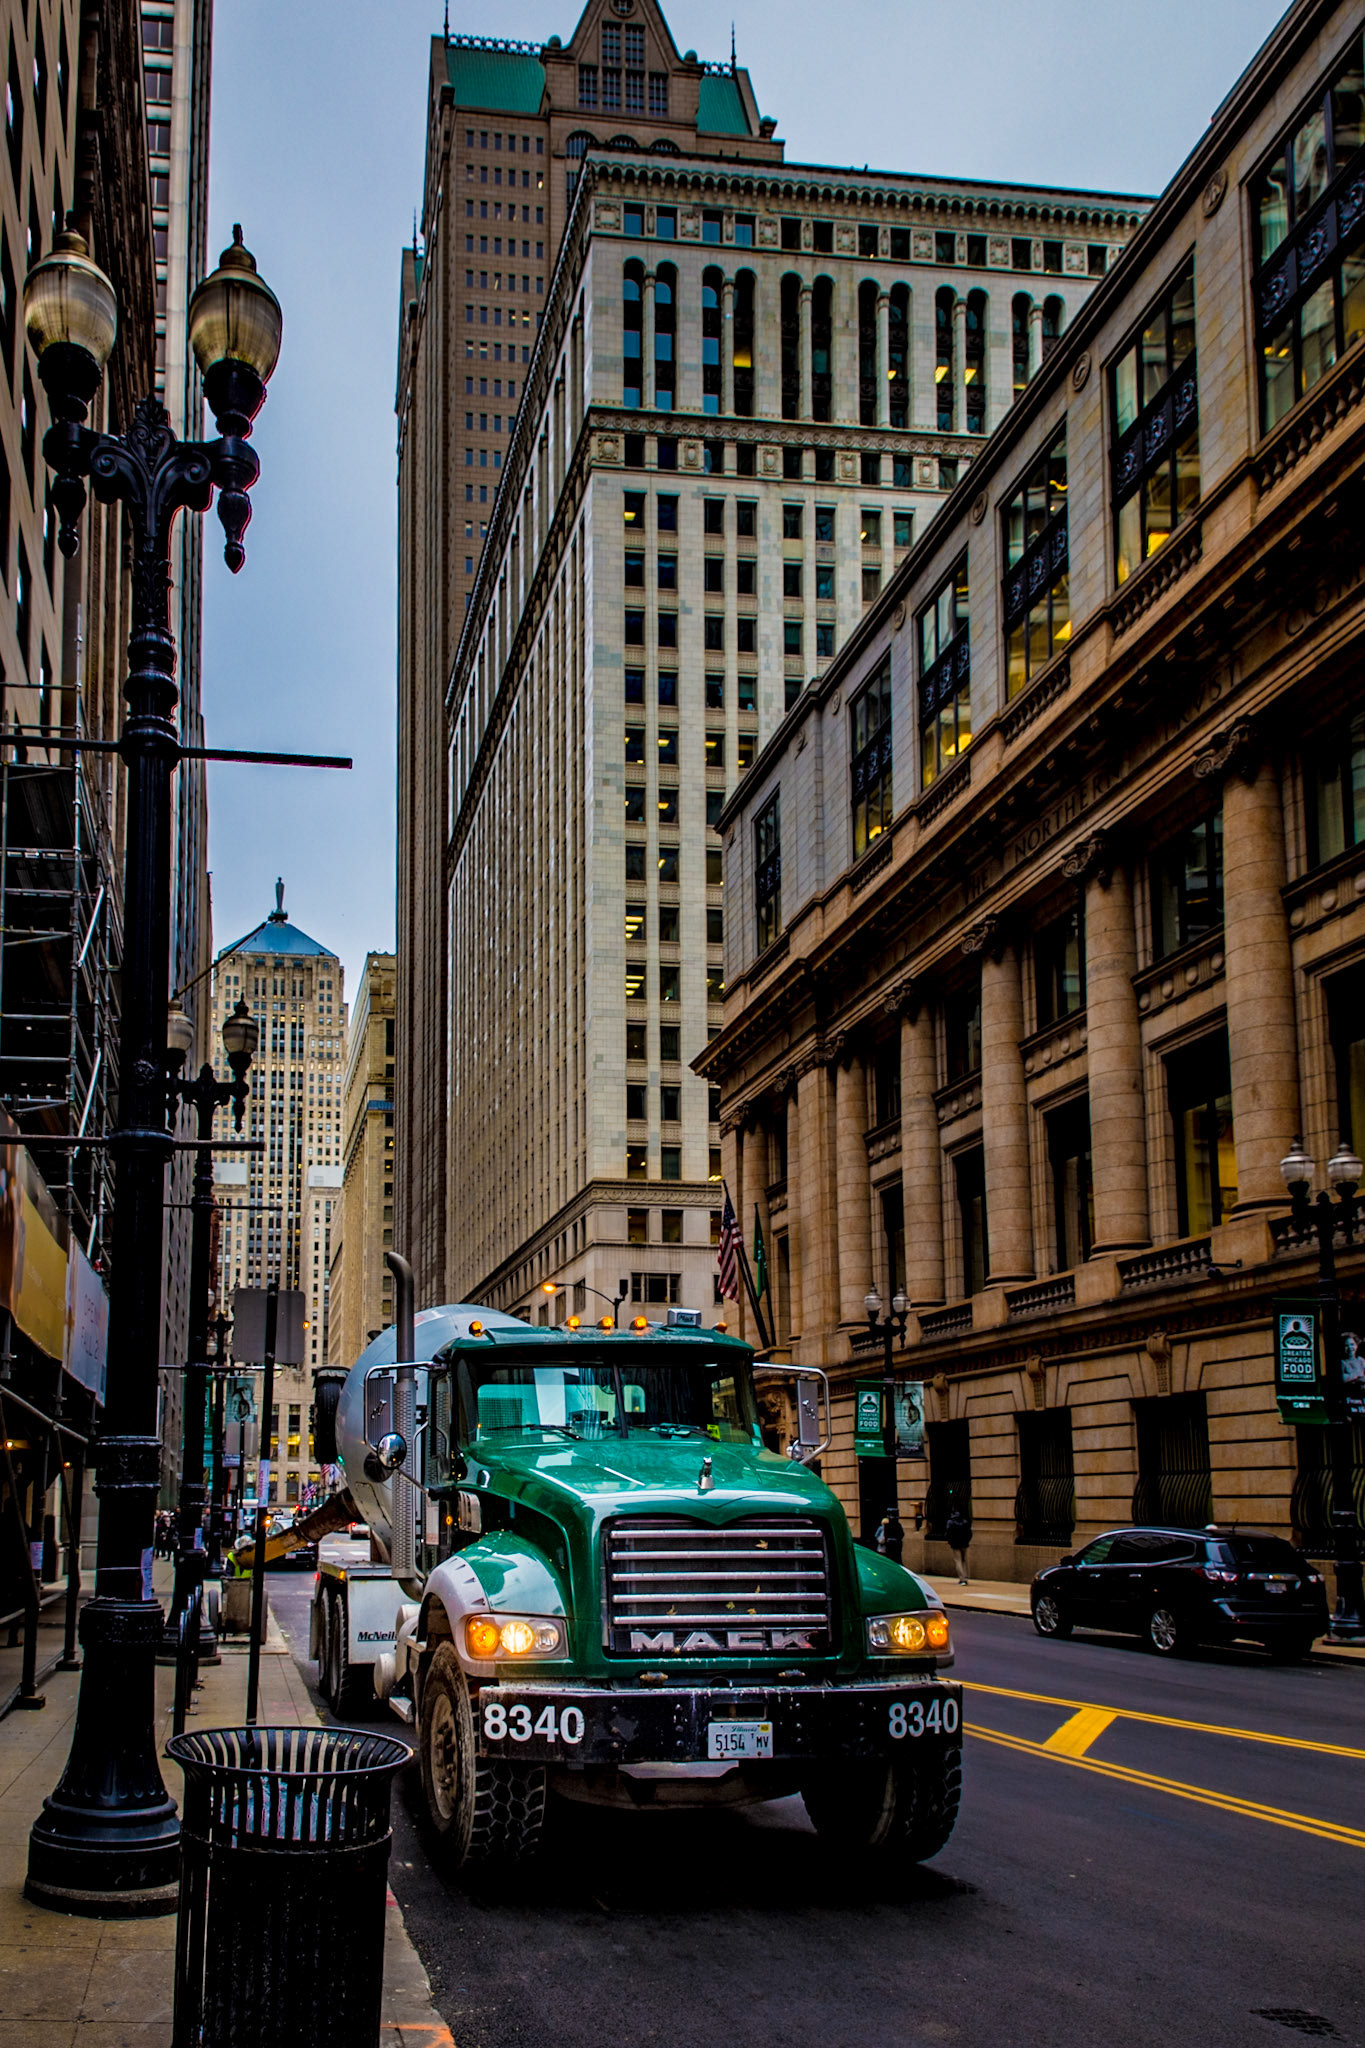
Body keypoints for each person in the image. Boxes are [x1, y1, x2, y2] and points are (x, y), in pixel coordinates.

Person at [945, 1501, 972, 1585]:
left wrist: (950, 1541)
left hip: (955, 1544)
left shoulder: (950, 1522)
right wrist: (967, 1540)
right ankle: (966, 1576)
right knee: (964, 1560)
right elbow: (970, 1533)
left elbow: (948, 1533)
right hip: (964, 1543)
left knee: (958, 1561)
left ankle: (962, 1578)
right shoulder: (965, 1522)